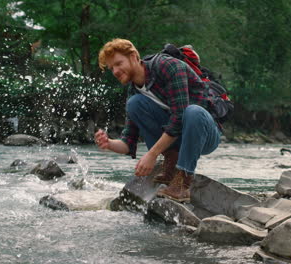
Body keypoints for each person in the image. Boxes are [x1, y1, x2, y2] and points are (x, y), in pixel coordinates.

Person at [95, 38, 221, 202]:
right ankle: (171, 161)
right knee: (134, 104)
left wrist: (152, 154)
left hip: (205, 133)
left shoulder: (167, 66)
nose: (115, 71)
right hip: (178, 136)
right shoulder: (134, 92)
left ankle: (183, 181)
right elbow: (128, 142)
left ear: (133, 56)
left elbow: (179, 118)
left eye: (118, 64)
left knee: (192, 112)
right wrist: (109, 143)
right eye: (112, 68)